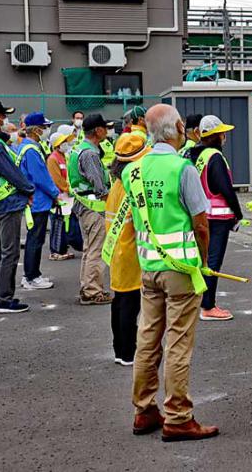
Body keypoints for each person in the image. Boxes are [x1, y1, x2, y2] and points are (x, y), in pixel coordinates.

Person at [122, 104, 218, 442]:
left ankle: (144, 409)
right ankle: (178, 416)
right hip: (180, 269)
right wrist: (204, 261)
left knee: (147, 339)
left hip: (148, 268)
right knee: (178, 343)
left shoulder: (132, 171)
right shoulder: (183, 169)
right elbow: (201, 224)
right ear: (178, 127)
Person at [0, 100, 35, 313]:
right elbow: (11, 172)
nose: (7, 120)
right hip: (8, 201)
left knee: (1, 251)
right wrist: (29, 190)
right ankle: (3, 299)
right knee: (9, 252)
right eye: (4, 115)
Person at [187, 115, 243, 321]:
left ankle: (200, 300)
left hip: (201, 214)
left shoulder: (194, 154)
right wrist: (238, 214)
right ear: (216, 136)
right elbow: (226, 189)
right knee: (213, 261)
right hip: (218, 219)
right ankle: (208, 306)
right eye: (222, 133)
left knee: (202, 259)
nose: (225, 136)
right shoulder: (215, 157)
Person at [105, 133, 150, 366]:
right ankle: (127, 352)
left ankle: (119, 349)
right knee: (129, 303)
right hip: (129, 251)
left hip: (115, 249)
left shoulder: (117, 183)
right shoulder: (132, 183)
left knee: (120, 300)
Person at [68, 114, 114, 305]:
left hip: (83, 205)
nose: (107, 130)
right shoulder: (90, 154)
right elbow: (99, 186)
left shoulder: (80, 149)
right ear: (98, 130)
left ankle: (87, 287)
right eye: (105, 127)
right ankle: (93, 291)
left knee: (89, 250)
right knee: (96, 250)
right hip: (93, 207)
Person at [18, 112, 59, 290]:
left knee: (35, 238)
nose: (47, 130)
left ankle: (32, 274)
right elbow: (41, 177)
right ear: (35, 130)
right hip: (38, 201)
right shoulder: (32, 150)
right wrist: (56, 194)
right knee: (35, 239)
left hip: (34, 201)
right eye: (45, 127)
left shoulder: (26, 147)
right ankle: (31, 276)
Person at [46, 131, 76, 261]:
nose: (66, 144)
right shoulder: (53, 158)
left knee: (63, 223)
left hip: (66, 195)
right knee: (57, 222)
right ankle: (55, 251)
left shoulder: (63, 156)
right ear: (57, 145)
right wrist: (66, 188)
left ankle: (63, 249)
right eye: (63, 142)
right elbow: (55, 178)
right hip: (59, 195)